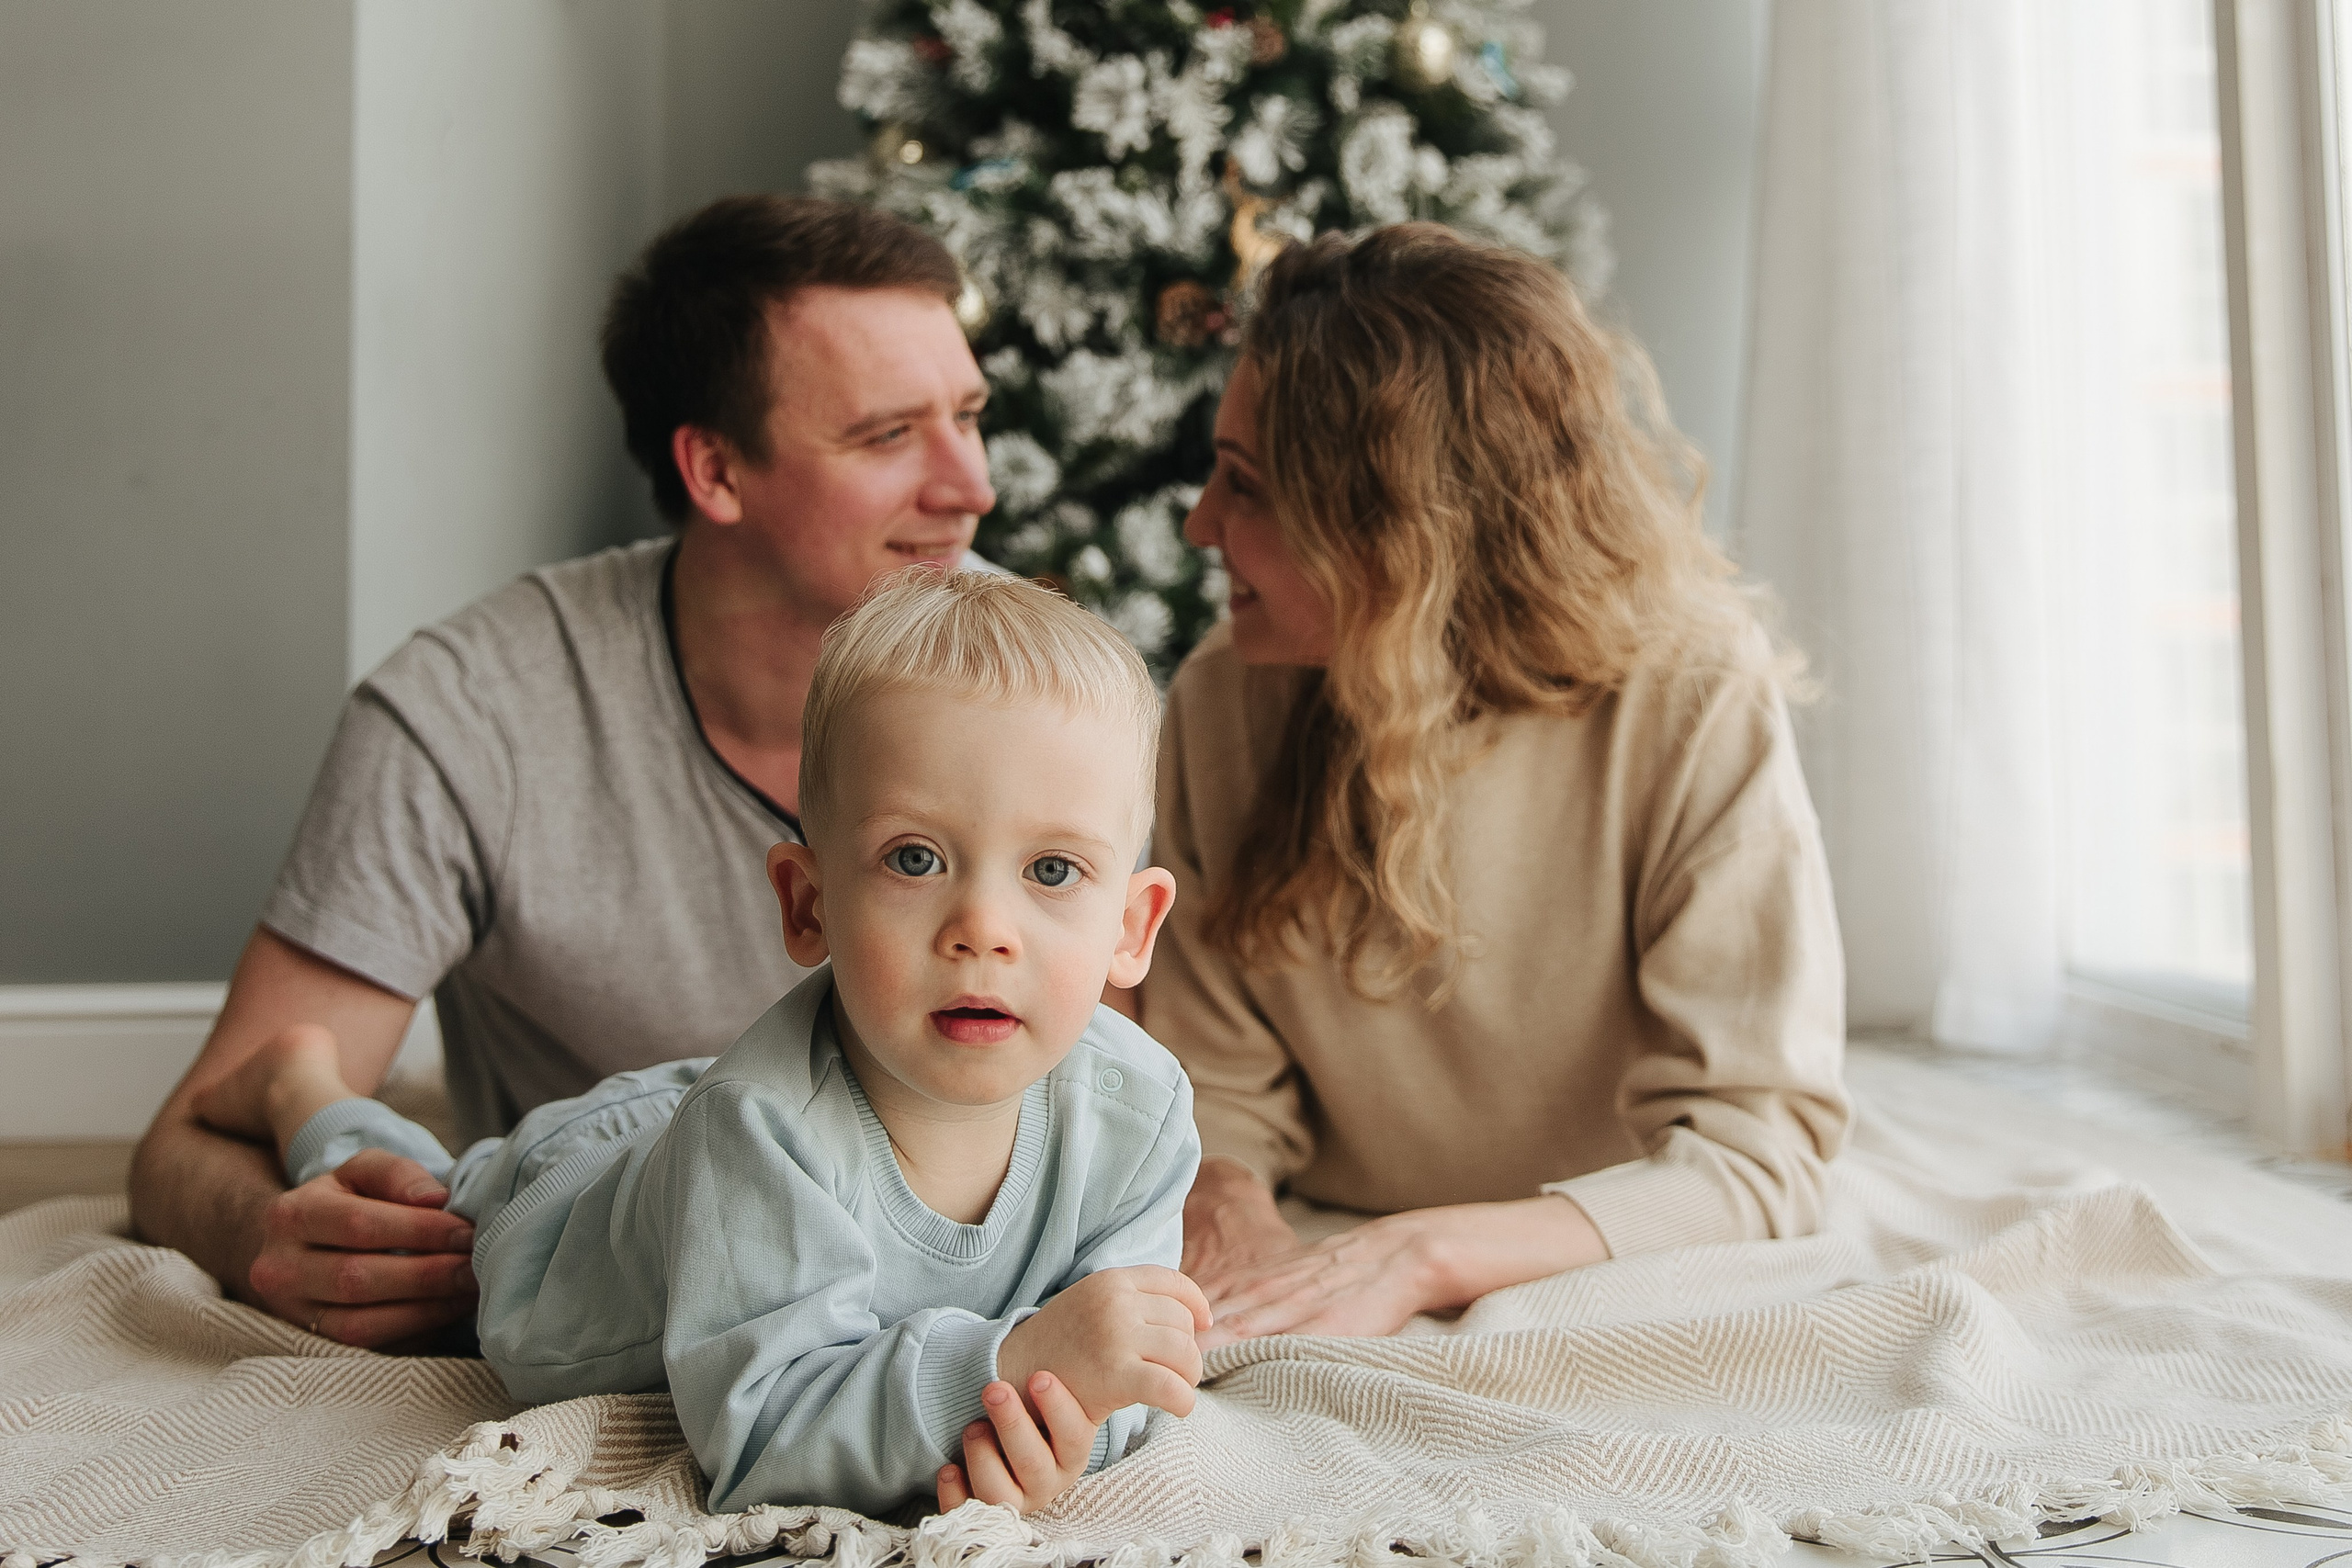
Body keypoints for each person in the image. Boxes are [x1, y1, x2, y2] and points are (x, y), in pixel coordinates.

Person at [130, 196, 1001, 1348]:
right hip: (607, 1240)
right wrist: (261, 1233)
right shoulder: (470, 711)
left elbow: (1104, 1069)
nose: (971, 486)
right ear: (715, 470)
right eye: (887, 436)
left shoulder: (1030, 683)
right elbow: (186, 1141)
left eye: (970, 416)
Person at [188, 570, 1205, 1518]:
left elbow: (1128, 1368)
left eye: (1055, 871)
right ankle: (303, 1089)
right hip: (586, 1204)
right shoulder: (759, 1129)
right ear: (807, 904)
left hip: (711, 1132)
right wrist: (1013, 1369)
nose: (983, 927)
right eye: (914, 857)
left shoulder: (1140, 1114)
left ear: (1133, 925)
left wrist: (1057, 1411)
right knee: (420, 1215)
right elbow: (763, 1438)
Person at [1150, 225, 1851, 1347]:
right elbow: (1208, 1086)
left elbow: (1756, 1157)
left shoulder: (1693, 694)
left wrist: (1424, 1254)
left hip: (1600, 1258)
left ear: (1399, 531)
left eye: (1245, 487)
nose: (1199, 526)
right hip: (1328, 1235)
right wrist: (1231, 1211)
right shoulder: (1222, 698)